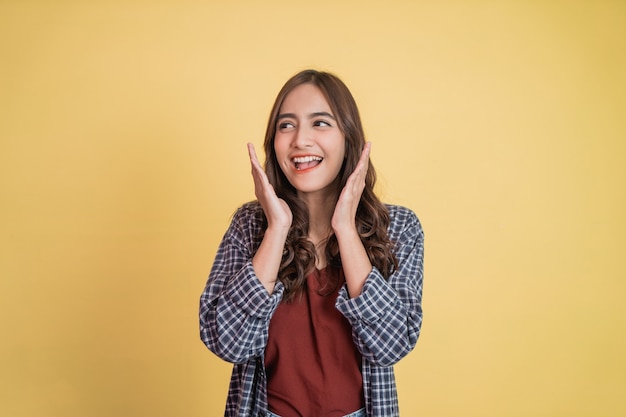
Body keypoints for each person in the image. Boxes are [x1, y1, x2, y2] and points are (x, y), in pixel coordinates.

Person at [199, 69, 424, 417]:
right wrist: (276, 229)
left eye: (320, 123)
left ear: (349, 138)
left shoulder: (399, 228)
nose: (300, 140)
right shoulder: (250, 225)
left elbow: (390, 346)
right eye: (286, 125)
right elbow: (228, 343)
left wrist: (346, 230)